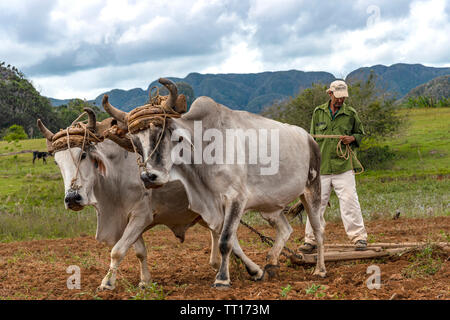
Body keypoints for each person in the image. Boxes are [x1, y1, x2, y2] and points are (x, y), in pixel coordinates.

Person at [299, 80, 368, 252]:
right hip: (321, 167)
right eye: (337, 97)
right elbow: (312, 140)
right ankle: (311, 240)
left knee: (350, 201)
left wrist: (352, 139)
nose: (340, 100)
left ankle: (359, 238)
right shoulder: (319, 112)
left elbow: (360, 133)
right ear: (330, 94)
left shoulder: (350, 114)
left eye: (343, 97)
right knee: (315, 203)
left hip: (343, 166)